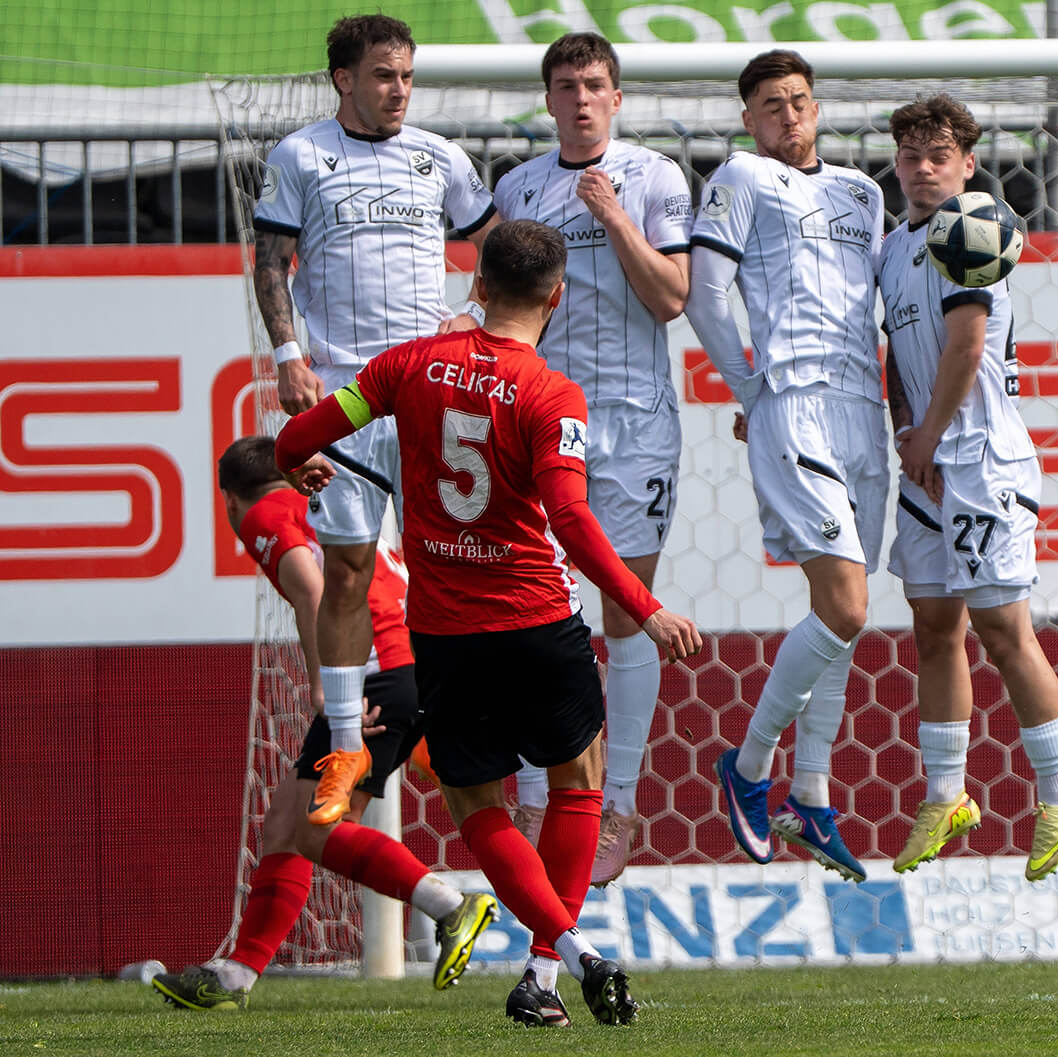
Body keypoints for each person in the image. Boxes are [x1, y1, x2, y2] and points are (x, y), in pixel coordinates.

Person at [274, 220, 702, 1028]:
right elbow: (570, 519)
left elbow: (298, 434)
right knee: (577, 785)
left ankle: (559, 959)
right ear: (557, 297)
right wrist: (645, 609)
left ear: (475, 286)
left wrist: (299, 461)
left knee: (478, 808)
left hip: (446, 637)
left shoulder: (409, 365)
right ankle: (560, 958)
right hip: (540, 621)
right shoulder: (551, 393)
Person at [253, 13, 497, 828]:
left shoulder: (441, 158)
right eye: (384, 75)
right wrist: (288, 352)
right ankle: (350, 740)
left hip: (431, 391)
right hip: (348, 395)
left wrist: (476, 316)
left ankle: (468, 722)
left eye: (406, 76)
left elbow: (496, 246)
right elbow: (269, 259)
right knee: (350, 569)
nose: (399, 90)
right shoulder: (301, 156)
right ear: (344, 80)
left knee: (452, 565)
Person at [152, 436, 496, 1011]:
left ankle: (448, 905)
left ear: (231, 499)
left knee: (317, 829)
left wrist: (324, 684)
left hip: (371, 676)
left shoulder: (263, 512)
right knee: (287, 823)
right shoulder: (327, 502)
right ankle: (237, 976)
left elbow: (311, 588)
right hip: (408, 664)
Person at [489, 31, 693, 889]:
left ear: (617, 98)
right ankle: (536, 792)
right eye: (566, 85)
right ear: (548, 100)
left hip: (637, 420)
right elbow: (500, 305)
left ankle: (621, 799)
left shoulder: (654, 178)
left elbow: (673, 297)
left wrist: (612, 218)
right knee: (541, 609)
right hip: (547, 418)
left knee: (625, 608)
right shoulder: (518, 188)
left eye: (596, 84)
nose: (581, 98)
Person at [877, 95, 1058, 882]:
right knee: (934, 626)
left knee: (1003, 633)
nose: (923, 168)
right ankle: (945, 793)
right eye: (910, 154)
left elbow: (966, 343)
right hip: (928, 462)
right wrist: (909, 431)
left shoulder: (972, 228)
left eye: (939, 155)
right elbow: (899, 353)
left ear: (968, 163)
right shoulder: (894, 247)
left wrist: (927, 436)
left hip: (978, 463)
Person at [684, 49, 887, 884]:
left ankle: (811, 792)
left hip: (863, 411)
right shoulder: (740, 178)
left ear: (817, 107)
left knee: (847, 616)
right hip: (793, 401)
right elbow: (704, 291)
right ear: (748, 118)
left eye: (800, 102)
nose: (789, 117)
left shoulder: (863, 193)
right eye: (771, 105)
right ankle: (750, 763)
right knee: (843, 604)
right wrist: (753, 387)